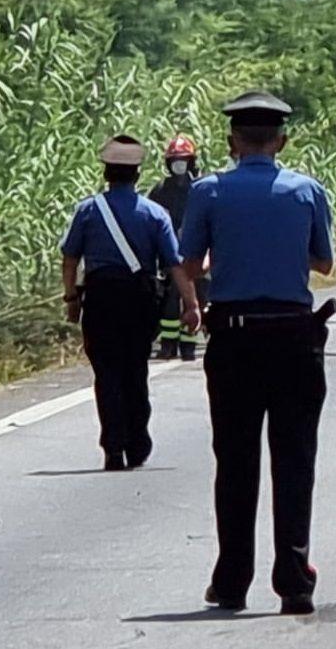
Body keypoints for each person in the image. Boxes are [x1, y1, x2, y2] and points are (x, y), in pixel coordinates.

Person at [179, 90, 336, 616]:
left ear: (232, 143)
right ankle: (294, 581)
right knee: (295, 462)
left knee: (236, 461)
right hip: (294, 337)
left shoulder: (208, 192)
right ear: (282, 140)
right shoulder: (307, 190)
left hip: (235, 338)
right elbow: (324, 262)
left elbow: (191, 261)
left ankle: (231, 581)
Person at [60, 135, 198, 471]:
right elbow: (174, 264)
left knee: (106, 374)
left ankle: (113, 447)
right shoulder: (155, 214)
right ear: (136, 175)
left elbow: (69, 258)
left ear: (106, 173)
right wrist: (191, 304)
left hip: (100, 299)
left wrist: (71, 298)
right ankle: (137, 441)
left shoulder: (89, 210)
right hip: (139, 300)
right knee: (135, 370)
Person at [148, 134, 208, 360]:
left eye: (183, 159)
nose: (179, 165)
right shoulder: (161, 189)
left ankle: (190, 344)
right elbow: (151, 217)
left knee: (199, 297)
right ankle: (168, 343)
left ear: (192, 161)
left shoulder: (201, 187)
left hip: (197, 253)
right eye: (175, 160)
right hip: (168, 256)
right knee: (169, 301)